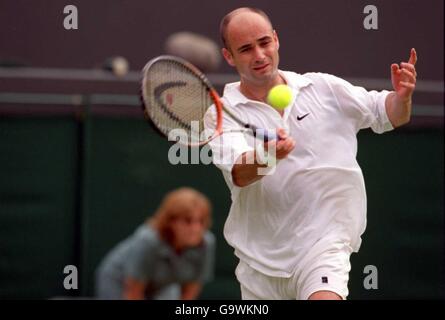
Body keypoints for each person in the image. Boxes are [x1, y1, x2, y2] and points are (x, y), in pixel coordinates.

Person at [204, 7, 417, 300]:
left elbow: (387, 115)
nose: (259, 55)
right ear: (229, 56)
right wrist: (269, 156)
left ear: (276, 40)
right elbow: (239, 172)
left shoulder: (324, 88)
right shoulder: (221, 114)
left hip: (324, 245)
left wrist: (402, 97)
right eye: (245, 49)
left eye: (264, 42)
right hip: (259, 265)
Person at [95, 187, 215, 300]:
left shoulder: (206, 243)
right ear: (171, 221)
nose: (196, 228)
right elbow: (133, 291)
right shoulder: (148, 241)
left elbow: (192, 288)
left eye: (201, 221)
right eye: (187, 221)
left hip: (162, 286)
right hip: (119, 281)